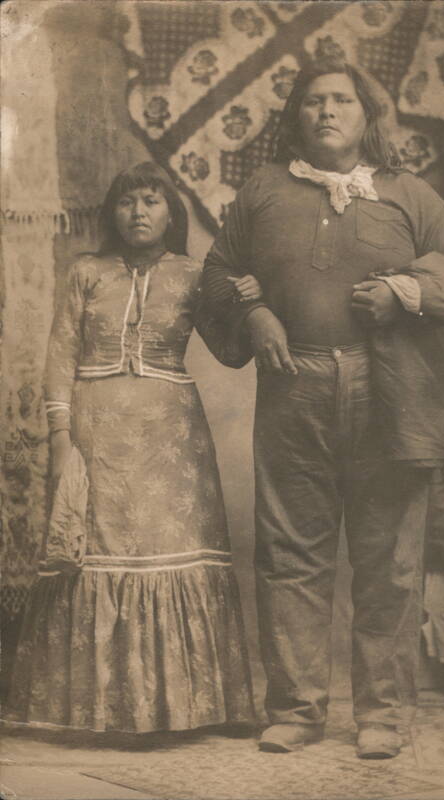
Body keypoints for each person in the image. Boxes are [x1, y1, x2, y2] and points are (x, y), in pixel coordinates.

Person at [202, 60, 444, 757]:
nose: (326, 111)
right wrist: (254, 314)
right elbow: (218, 272)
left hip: (389, 391)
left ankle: (383, 716)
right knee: (288, 553)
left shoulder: (409, 194)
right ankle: (297, 709)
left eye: (341, 100)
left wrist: (406, 291)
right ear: (294, 117)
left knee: (388, 557)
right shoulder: (263, 192)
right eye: (312, 101)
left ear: (368, 114)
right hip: (293, 386)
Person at [4, 161, 258, 734]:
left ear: (172, 213)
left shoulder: (195, 275)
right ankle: (96, 713)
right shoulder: (86, 272)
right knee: (91, 552)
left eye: (151, 201)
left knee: (170, 553)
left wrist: (246, 301)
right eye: (127, 202)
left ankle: (184, 712)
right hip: (96, 433)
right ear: (111, 213)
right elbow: (60, 356)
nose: (138, 212)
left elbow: (233, 351)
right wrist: (63, 439)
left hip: (173, 439)